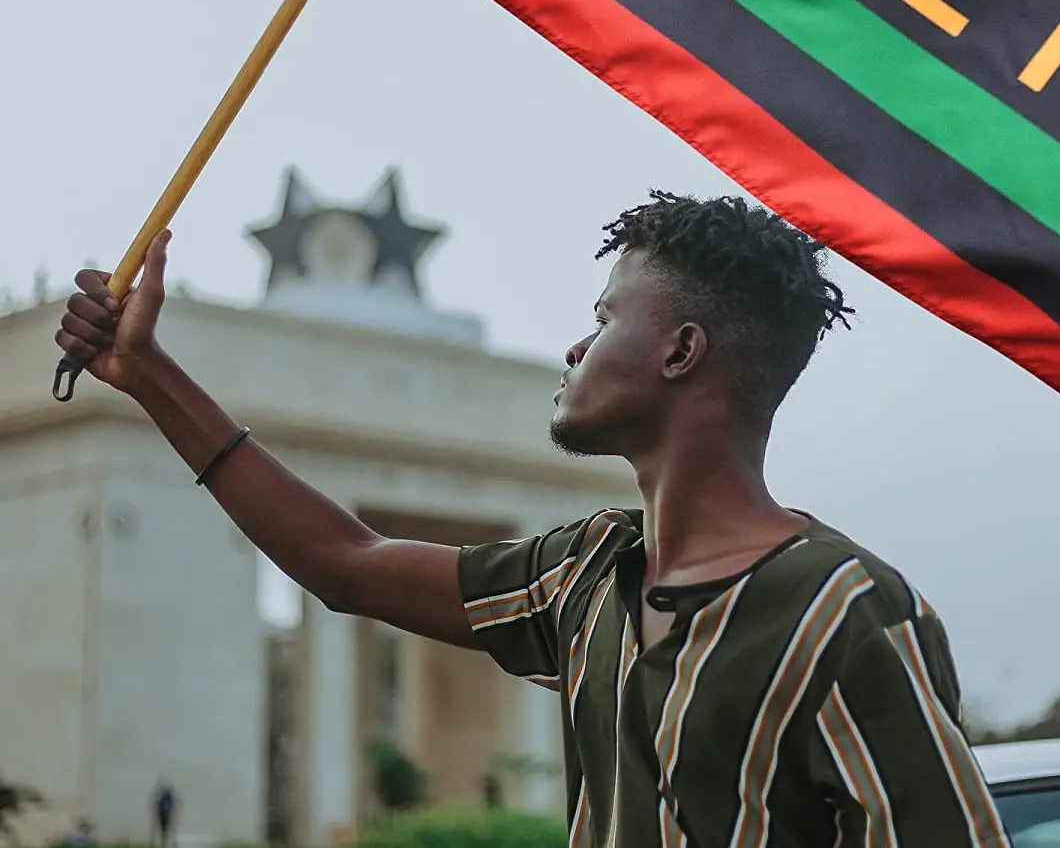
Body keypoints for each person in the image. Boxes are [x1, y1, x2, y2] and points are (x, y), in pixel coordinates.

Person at [56, 191, 1009, 847]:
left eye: (604, 317)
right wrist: (148, 375)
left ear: (680, 351)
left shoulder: (842, 610)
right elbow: (346, 562)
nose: (574, 343)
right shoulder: (586, 576)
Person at [149, 782, 175, 848]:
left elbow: (159, 805)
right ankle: (164, 842)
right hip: (165, 815)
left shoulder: (164, 797)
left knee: (163, 829)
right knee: (165, 829)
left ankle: (163, 842)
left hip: (163, 815)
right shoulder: (168, 797)